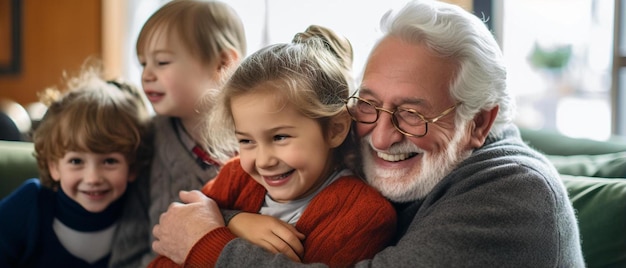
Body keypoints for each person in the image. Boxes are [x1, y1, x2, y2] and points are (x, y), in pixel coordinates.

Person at [150, 0, 586, 266]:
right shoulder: (352, 143)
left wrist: (209, 243)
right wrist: (228, 221)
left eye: (412, 114)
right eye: (370, 104)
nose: (378, 138)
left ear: (479, 123)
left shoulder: (515, 194)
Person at [149, 25, 397, 267]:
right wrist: (235, 222)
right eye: (246, 141)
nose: (263, 160)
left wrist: (217, 232)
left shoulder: (362, 215)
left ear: (336, 129)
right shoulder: (236, 176)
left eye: (279, 138)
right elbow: (177, 235)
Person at [110, 1, 247, 266]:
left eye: (161, 62)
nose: (147, 75)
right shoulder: (150, 138)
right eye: (142, 64)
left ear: (223, 63)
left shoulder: (256, 138)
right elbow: (132, 228)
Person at [0, 64, 152, 267]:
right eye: (76, 161)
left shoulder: (140, 210)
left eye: (109, 161)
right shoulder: (30, 204)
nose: (93, 178)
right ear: (54, 166)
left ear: (132, 167)